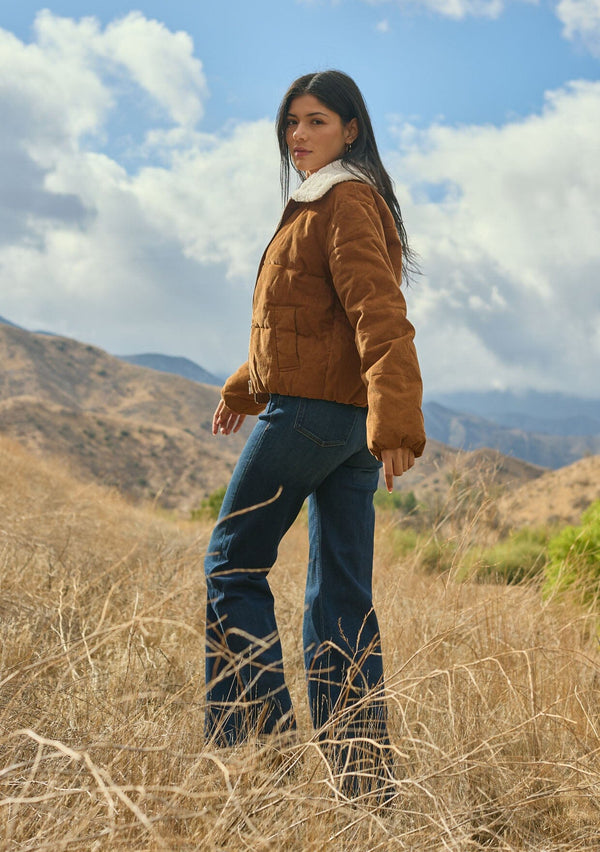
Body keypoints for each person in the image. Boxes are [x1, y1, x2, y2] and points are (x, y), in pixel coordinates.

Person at [204, 70, 426, 797]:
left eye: (317, 121)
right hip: (343, 422)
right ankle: (363, 785)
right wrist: (243, 387)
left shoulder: (344, 199)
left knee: (232, 565)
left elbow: (378, 314)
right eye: (291, 122)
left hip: (311, 418)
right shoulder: (319, 201)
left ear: (351, 128)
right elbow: (302, 323)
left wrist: (398, 419)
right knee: (340, 598)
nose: (298, 134)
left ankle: (257, 757)